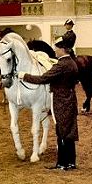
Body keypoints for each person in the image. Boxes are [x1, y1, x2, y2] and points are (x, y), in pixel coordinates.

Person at [18, 36, 79, 170]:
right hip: (70, 98)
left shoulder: (61, 65)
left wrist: (24, 76)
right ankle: (69, 162)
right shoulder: (72, 62)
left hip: (61, 101)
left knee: (62, 132)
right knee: (69, 132)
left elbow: (43, 78)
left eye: (56, 48)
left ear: (62, 49)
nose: (54, 50)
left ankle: (63, 163)